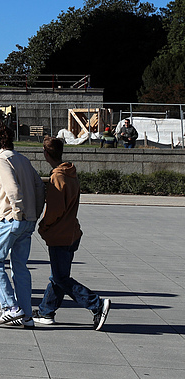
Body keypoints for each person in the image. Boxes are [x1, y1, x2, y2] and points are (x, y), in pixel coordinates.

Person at [33, 136, 112, 330]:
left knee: (61, 278)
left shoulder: (57, 177)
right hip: (71, 233)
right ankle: (46, 311)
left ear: (45, 154)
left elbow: (54, 210)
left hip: (60, 235)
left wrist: (43, 226)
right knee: (58, 276)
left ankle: (96, 304)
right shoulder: (70, 173)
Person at [0, 120, 45, 327]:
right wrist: (33, 214)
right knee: (20, 266)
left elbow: (12, 189)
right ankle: (27, 314)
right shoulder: (22, 159)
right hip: (28, 220)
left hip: (11, 219)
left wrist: (18, 212)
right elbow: (39, 186)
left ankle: (10, 307)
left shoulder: (2, 159)